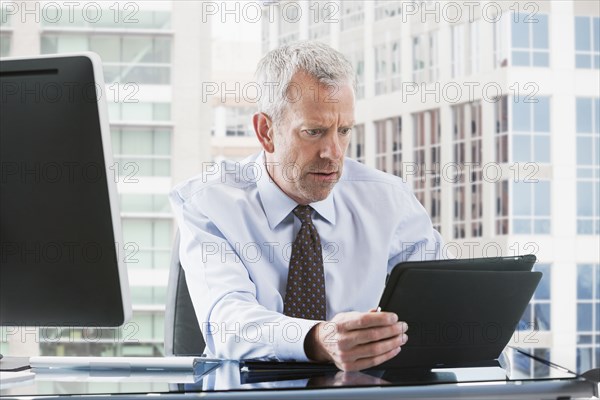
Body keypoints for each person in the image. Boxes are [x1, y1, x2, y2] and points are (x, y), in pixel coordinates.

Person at [170, 41, 444, 371]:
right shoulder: (208, 202)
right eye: (314, 132)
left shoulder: (388, 199)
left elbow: (444, 298)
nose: (333, 152)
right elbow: (229, 323)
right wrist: (317, 339)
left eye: (343, 131)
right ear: (265, 131)